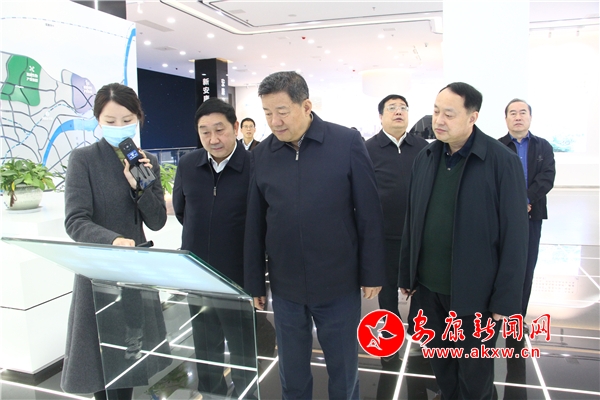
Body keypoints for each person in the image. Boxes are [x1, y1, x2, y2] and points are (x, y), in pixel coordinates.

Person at [244, 71, 386, 399]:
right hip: (286, 286)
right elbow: (255, 222)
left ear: (306, 106)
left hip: (338, 283)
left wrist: (372, 271)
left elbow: (369, 212)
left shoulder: (346, 143)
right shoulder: (262, 154)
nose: (274, 121)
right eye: (267, 113)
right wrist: (254, 282)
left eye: (282, 111)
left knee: (343, 372)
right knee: (291, 373)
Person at [399, 82, 528, 400]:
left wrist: (505, 301)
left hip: (476, 297)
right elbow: (413, 219)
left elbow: (516, 236)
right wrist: (407, 274)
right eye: (435, 111)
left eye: (449, 114)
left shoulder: (501, 161)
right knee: (442, 368)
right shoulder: (426, 157)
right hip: (430, 292)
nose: (438, 120)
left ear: (473, 117)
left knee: (474, 376)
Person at [62, 83, 169, 399]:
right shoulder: (83, 160)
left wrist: (139, 187)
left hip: (134, 275)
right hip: (99, 274)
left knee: (130, 361)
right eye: (110, 121)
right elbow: (75, 221)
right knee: (100, 364)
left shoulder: (146, 161)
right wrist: (113, 240)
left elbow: (157, 221)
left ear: (138, 119)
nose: (119, 126)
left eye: (127, 120)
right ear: (98, 120)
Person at [172, 98, 256, 397]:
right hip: (198, 274)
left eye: (220, 130)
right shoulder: (188, 164)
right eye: (205, 132)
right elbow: (182, 211)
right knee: (205, 345)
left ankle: (247, 392)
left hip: (238, 276)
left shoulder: (254, 166)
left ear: (235, 127)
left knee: (243, 347)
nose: (213, 139)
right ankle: (211, 393)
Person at [365, 94, 428, 331]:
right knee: (388, 284)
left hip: (418, 230)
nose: (399, 111)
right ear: (381, 116)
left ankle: (417, 327)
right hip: (385, 232)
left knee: (420, 280)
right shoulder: (368, 148)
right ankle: (391, 325)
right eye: (392, 108)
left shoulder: (423, 148)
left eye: (403, 107)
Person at [499, 99, 556, 319]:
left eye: (523, 112)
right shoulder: (497, 147)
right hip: (502, 217)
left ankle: (517, 316)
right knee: (501, 265)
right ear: (506, 119)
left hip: (532, 216)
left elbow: (547, 177)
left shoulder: (544, 147)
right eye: (512, 113)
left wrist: (526, 199)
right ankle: (497, 312)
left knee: (526, 267)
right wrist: (513, 203)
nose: (518, 117)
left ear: (530, 117)